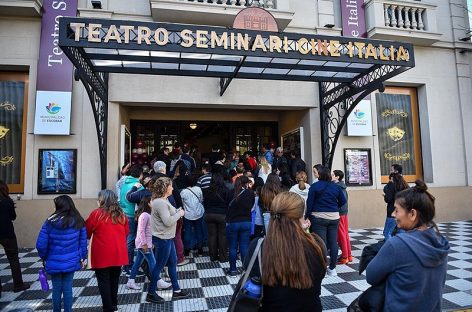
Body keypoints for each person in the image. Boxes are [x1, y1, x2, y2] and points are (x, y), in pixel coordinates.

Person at [366, 180, 450, 312]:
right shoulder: (440, 242)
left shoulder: (397, 244)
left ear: (412, 214)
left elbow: (371, 276)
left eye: (397, 210)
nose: (393, 214)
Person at [244, 192, 327, 311]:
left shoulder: (258, 246)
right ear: (301, 216)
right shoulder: (316, 244)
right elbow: (320, 274)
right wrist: (306, 233)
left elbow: (251, 277)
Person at [36, 195, 87, 312]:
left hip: (53, 261)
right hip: (72, 260)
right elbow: (83, 242)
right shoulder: (79, 220)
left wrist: (44, 257)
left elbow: (41, 244)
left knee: (56, 289)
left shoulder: (50, 221)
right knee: (68, 288)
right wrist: (82, 257)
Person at [147, 177, 189, 303]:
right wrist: (180, 214)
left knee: (172, 263)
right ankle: (151, 293)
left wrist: (176, 211)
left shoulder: (164, 200)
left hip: (167, 238)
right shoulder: (160, 202)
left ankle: (176, 291)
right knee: (159, 266)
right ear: (165, 188)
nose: (172, 188)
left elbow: (168, 215)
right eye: (170, 186)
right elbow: (168, 221)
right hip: (163, 239)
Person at [86, 190, 129, 312]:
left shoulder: (96, 214)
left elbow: (87, 231)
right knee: (114, 279)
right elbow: (126, 232)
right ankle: (114, 304)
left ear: (102, 200)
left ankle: (108, 308)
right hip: (118, 252)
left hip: (101, 253)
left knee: (103, 281)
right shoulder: (121, 214)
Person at [305, 165, 346, 277]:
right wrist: (334, 208)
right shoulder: (336, 187)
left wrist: (307, 216)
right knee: (333, 242)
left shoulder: (314, 187)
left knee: (321, 242)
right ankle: (332, 268)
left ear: (320, 174)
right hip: (334, 217)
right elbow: (343, 201)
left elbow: (309, 203)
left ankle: (322, 267)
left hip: (318, 217)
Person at [126, 196, 171, 290]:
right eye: (152, 201)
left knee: (138, 262)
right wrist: (144, 244)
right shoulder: (144, 215)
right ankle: (158, 281)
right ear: (148, 203)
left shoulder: (148, 214)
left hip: (146, 243)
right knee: (153, 262)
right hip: (144, 244)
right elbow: (141, 230)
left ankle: (131, 281)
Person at [0, 180, 29, 295]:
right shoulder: (7, 201)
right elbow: (13, 217)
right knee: (13, 259)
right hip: (7, 233)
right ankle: (18, 285)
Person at [225, 176, 255, 276]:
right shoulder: (250, 193)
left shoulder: (230, 192)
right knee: (244, 246)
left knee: (232, 247)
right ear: (246, 183)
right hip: (246, 221)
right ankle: (245, 269)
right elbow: (251, 206)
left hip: (233, 222)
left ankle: (233, 270)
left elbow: (227, 206)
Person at [119, 165, 144, 274]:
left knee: (127, 239)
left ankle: (126, 264)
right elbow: (143, 202)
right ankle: (128, 266)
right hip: (132, 215)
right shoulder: (138, 186)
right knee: (131, 240)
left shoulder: (124, 183)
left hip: (123, 214)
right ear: (140, 175)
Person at [203, 173, 232, 262]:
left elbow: (205, 203)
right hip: (222, 215)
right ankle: (223, 257)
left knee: (212, 235)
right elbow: (228, 204)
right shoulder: (226, 190)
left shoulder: (207, 190)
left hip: (209, 214)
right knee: (222, 236)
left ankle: (213, 257)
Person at [180, 177, 205, 256]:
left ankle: (187, 249)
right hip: (198, 213)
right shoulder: (198, 189)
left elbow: (182, 202)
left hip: (188, 214)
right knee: (199, 230)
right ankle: (200, 248)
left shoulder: (183, 192)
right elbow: (201, 200)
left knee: (187, 231)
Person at [332, 170, 352, 264]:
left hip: (339, 213)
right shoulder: (342, 186)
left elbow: (339, 201)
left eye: (333, 175)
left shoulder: (337, 187)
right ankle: (348, 255)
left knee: (341, 235)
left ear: (337, 177)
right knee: (345, 234)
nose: (331, 176)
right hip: (344, 212)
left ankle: (344, 257)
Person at [383, 173, 409, 240]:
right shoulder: (405, 187)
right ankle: (401, 247)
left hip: (393, 213)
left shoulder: (391, 186)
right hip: (403, 213)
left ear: (392, 178)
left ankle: (390, 248)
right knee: (401, 232)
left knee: (387, 232)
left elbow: (388, 199)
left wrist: (385, 196)